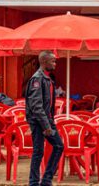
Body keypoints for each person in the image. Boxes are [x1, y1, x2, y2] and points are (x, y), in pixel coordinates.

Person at [26, 51, 64, 186]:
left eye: (55, 61)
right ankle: (34, 182)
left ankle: (46, 180)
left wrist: (49, 123)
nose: (55, 64)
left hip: (48, 120)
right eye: (52, 61)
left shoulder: (48, 78)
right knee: (38, 151)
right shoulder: (37, 79)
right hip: (39, 121)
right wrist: (46, 126)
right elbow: (36, 106)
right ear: (44, 62)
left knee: (59, 146)